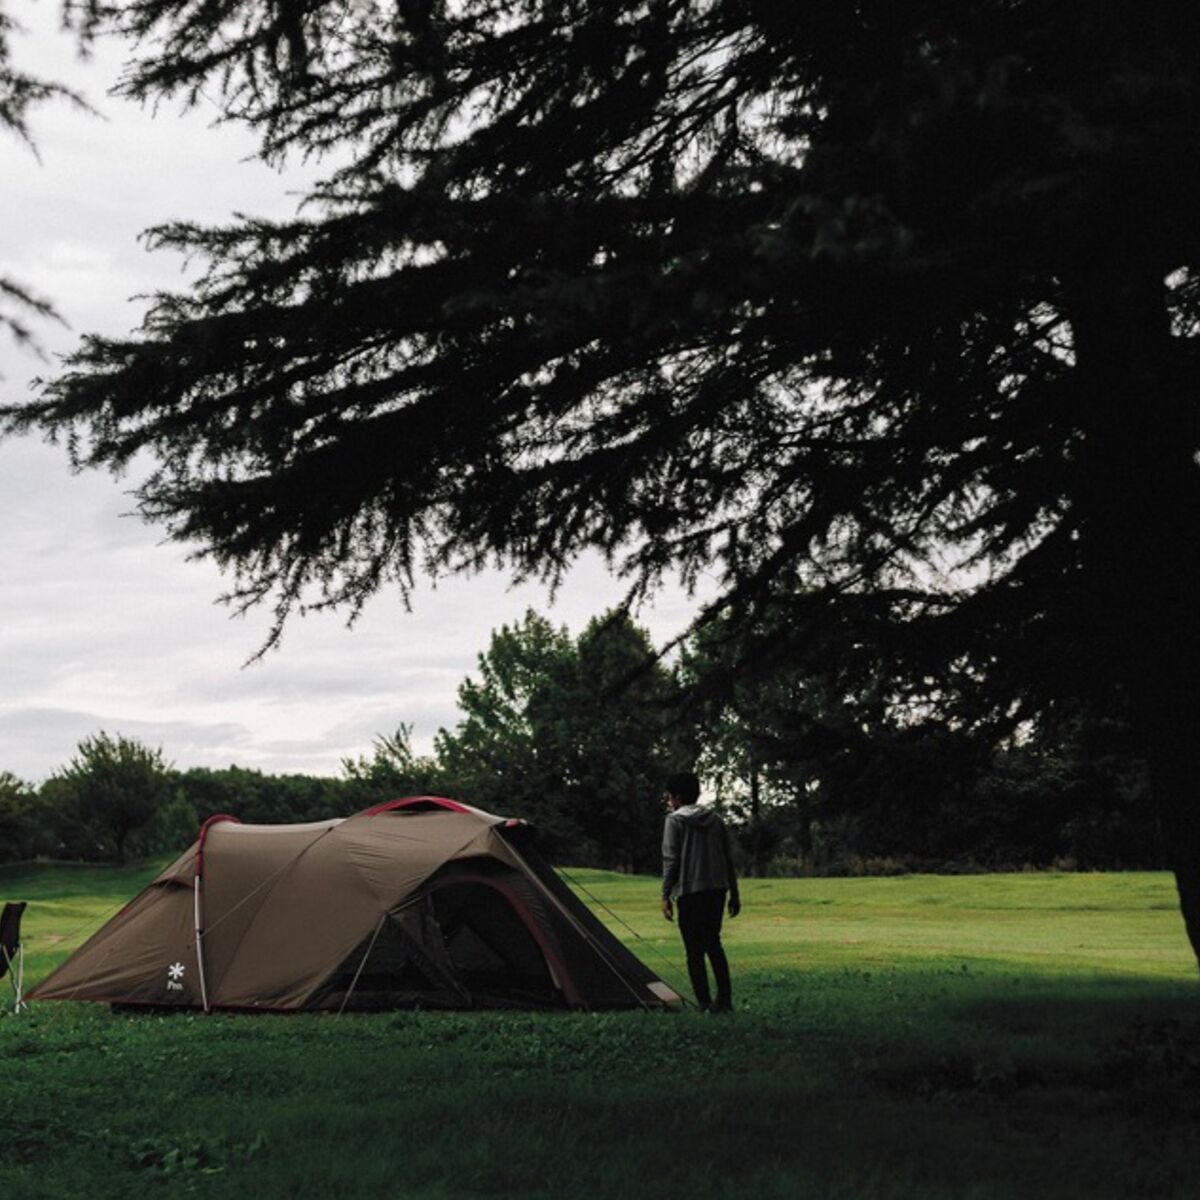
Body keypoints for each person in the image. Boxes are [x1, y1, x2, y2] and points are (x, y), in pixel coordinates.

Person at [660, 771, 740, 1012]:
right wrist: (734, 893)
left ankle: (704, 1002)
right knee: (714, 945)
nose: (668, 800)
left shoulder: (674, 821)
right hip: (716, 890)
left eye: (669, 796)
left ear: (677, 796)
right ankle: (724, 1000)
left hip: (689, 891)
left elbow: (671, 860)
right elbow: (727, 858)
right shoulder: (715, 819)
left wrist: (665, 895)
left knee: (693, 950)